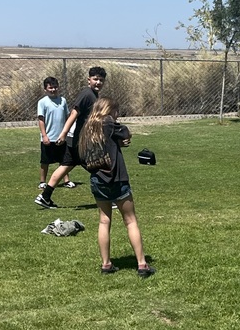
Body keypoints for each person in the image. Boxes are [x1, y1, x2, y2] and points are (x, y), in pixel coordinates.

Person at [78, 97, 155, 277]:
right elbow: (126, 133)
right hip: (117, 179)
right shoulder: (109, 123)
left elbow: (83, 155)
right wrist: (121, 138)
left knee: (104, 221)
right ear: (109, 110)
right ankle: (142, 264)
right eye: (116, 111)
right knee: (130, 220)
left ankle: (106, 264)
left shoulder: (87, 127)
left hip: (97, 180)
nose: (117, 115)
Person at [35, 66, 106, 209]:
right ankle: (108, 198)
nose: (98, 82)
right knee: (99, 167)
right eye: (95, 79)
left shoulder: (93, 95)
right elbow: (73, 114)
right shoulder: (87, 94)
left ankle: (45, 196)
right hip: (79, 141)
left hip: (75, 140)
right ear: (89, 80)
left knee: (65, 166)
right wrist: (63, 134)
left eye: (101, 80)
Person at [36, 76, 73, 190]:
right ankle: (43, 181)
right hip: (48, 138)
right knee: (45, 161)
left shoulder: (63, 101)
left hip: (61, 137)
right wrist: (44, 135)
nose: (53, 90)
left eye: (55, 87)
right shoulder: (42, 102)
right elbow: (41, 120)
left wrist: (66, 133)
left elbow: (67, 117)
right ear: (45, 89)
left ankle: (66, 180)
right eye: (50, 88)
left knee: (64, 160)